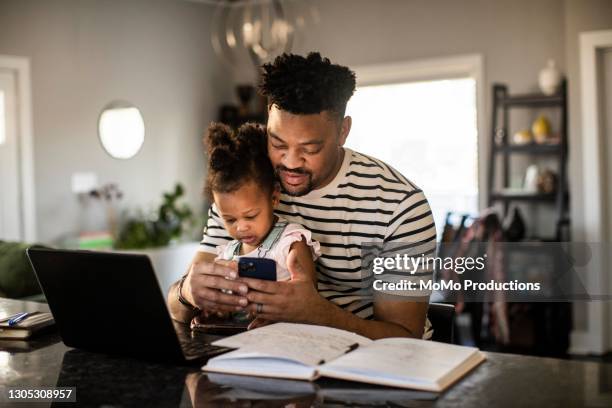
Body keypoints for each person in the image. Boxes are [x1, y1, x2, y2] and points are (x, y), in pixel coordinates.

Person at [168, 52, 437, 339]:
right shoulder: (247, 185)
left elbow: (405, 339)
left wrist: (316, 314)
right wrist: (187, 293)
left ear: (343, 131)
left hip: (366, 366)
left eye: (310, 149)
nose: (291, 162)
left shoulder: (399, 206)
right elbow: (175, 308)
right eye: (278, 142)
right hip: (267, 353)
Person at [204, 121, 320, 283]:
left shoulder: (290, 243)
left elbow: (307, 297)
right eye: (230, 220)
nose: (241, 227)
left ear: (274, 198)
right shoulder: (227, 254)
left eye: (250, 216)